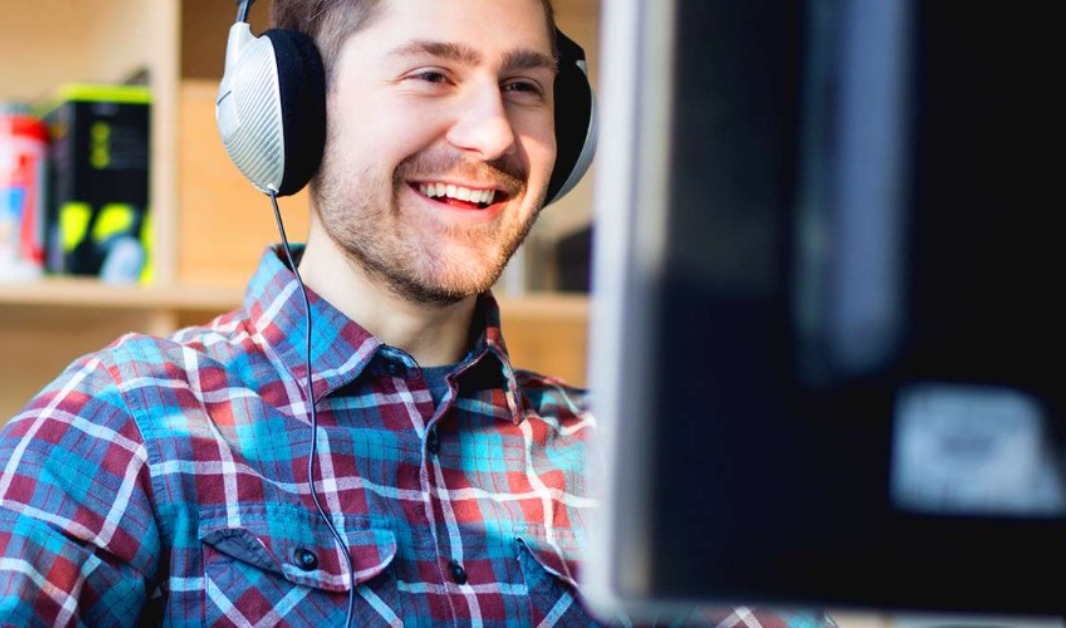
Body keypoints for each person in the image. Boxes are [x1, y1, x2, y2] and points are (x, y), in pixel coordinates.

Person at [0, 0, 833, 625]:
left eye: (523, 86)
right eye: (432, 74)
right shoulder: (125, 426)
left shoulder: (655, 466)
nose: (493, 135)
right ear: (288, 112)